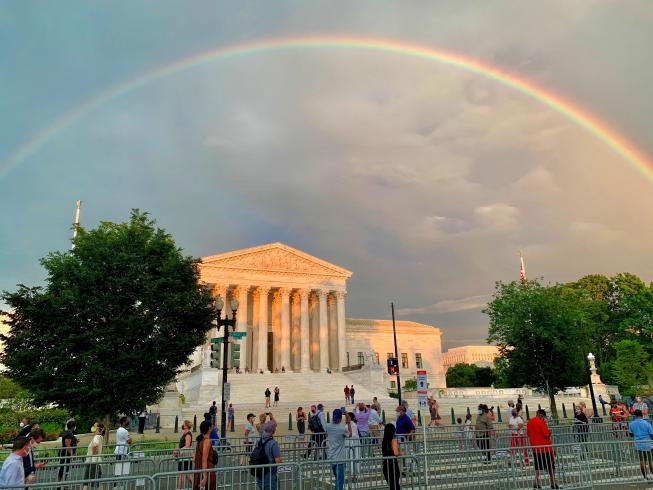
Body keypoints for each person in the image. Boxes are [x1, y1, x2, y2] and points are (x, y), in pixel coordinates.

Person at [527, 409, 559, 489]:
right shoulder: (541, 422)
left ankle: (536, 482)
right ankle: (552, 483)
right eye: (543, 417)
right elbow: (546, 434)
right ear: (541, 416)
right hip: (545, 448)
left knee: (538, 466)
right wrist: (549, 432)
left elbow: (528, 434)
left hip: (535, 448)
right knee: (551, 466)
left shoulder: (529, 422)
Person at [325, 409, 351, 490]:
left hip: (332, 457)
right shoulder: (342, 429)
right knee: (340, 481)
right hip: (340, 459)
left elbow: (326, 433)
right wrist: (349, 421)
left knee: (337, 480)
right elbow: (350, 434)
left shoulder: (328, 426)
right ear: (340, 418)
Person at [253, 420, 282, 490]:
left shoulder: (259, 441)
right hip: (270, 476)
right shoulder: (273, 443)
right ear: (273, 431)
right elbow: (278, 461)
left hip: (260, 475)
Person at [629, 409, 653, 479]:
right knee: (650, 461)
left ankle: (645, 476)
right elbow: (651, 435)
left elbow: (630, 434)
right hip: (648, 444)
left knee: (642, 461)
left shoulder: (631, 424)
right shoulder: (647, 423)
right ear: (642, 415)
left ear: (635, 415)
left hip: (638, 445)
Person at [193, 420, 217, 490]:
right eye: (212, 426)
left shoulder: (199, 440)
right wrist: (205, 476)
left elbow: (194, 459)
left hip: (198, 470)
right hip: (207, 470)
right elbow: (204, 460)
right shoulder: (207, 441)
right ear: (209, 428)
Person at [82, 422, 105, 490]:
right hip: (92, 462)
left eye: (94, 426)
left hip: (94, 462)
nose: (93, 427)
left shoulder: (96, 437)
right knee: (87, 481)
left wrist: (93, 455)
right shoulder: (99, 437)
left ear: (98, 428)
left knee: (96, 482)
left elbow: (95, 445)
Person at [381, 423, 402, 490]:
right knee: (396, 485)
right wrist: (402, 453)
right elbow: (396, 453)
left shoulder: (384, 441)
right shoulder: (394, 441)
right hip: (393, 465)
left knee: (391, 486)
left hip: (386, 465)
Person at [174, 420, 193, 490]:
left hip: (185, 456)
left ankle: (178, 489)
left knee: (182, 474)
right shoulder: (185, 433)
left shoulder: (188, 434)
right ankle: (197, 487)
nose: (182, 425)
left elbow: (187, 446)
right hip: (183, 456)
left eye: (183, 424)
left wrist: (178, 450)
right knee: (187, 475)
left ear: (186, 425)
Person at [58, 419, 78, 483]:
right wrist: (72, 454)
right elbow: (67, 444)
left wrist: (75, 441)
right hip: (66, 453)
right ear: (73, 427)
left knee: (63, 468)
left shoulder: (67, 432)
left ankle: (60, 483)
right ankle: (62, 483)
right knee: (65, 468)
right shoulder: (69, 433)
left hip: (65, 452)